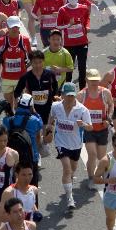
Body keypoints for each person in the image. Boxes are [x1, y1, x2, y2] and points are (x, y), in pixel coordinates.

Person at [49, 82, 89, 212]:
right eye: (68, 95)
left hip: (76, 144)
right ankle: (70, 198)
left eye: (72, 95)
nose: (70, 98)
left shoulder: (82, 109)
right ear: (63, 95)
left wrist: (83, 124)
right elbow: (51, 118)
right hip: (61, 142)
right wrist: (49, 127)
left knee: (72, 170)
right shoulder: (56, 106)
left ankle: (69, 184)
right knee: (66, 169)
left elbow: (90, 126)